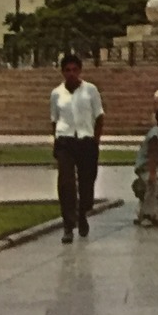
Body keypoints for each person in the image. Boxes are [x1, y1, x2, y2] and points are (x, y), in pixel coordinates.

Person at [50, 54, 104, 244]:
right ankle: (68, 225)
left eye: (74, 70)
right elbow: (54, 120)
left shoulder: (90, 90)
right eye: (67, 70)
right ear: (62, 72)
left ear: (80, 70)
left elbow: (99, 117)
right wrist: (55, 142)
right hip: (65, 141)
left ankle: (82, 214)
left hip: (86, 141)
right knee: (66, 184)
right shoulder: (56, 93)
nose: (71, 74)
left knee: (86, 183)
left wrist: (95, 141)